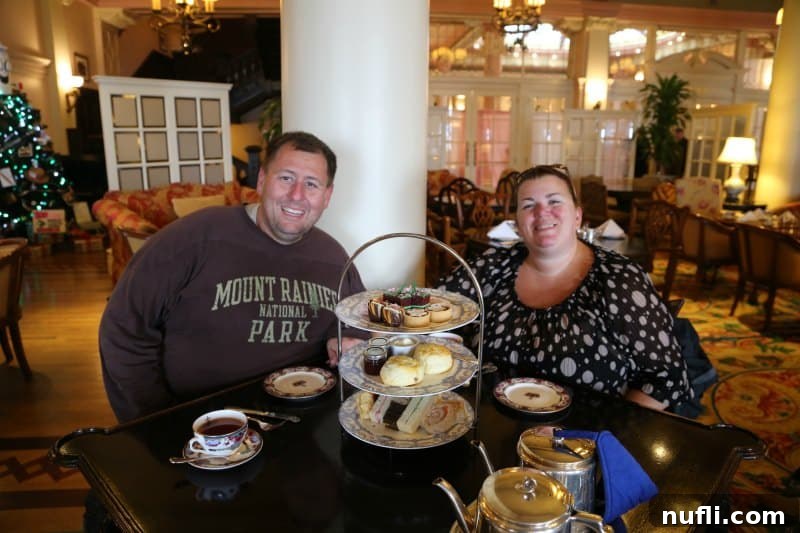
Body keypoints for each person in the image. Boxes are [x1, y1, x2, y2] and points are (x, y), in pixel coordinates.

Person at [99, 131, 367, 423]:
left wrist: (342, 337)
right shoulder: (193, 239)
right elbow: (123, 327)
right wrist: (153, 420)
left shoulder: (334, 257)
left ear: (327, 197)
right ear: (262, 180)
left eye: (311, 184)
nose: (297, 195)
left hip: (300, 418)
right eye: (286, 178)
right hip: (199, 420)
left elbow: (359, 321)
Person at [438, 164, 692, 410]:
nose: (542, 212)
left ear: (577, 216)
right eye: (528, 205)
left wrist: (607, 436)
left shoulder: (619, 280)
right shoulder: (489, 268)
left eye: (554, 201)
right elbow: (433, 309)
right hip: (490, 429)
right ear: (517, 223)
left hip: (581, 440)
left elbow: (667, 378)